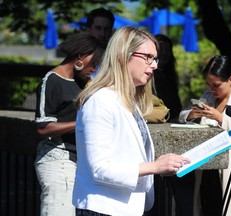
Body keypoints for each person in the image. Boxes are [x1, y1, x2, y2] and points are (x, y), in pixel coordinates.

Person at [72, 26, 190, 216]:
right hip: (103, 208)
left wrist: (160, 165)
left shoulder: (128, 100)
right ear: (123, 55)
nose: (154, 65)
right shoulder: (100, 100)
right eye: (148, 57)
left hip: (124, 207)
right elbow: (100, 169)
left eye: (155, 58)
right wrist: (154, 166)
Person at [34, 32, 105, 216]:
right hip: (59, 160)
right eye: (94, 63)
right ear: (80, 56)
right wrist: (81, 123)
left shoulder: (82, 82)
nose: (94, 68)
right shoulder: (51, 80)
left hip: (80, 162)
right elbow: (43, 127)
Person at [178, 55, 231, 216]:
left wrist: (220, 118)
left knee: (230, 207)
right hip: (207, 164)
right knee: (207, 206)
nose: (212, 89)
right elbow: (182, 116)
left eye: (216, 85)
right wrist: (193, 114)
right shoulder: (208, 96)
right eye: (208, 84)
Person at [152, 34, 182, 122]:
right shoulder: (146, 76)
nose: (163, 56)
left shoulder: (169, 76)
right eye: (160, 51)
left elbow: (176, 106)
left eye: (167, 51)